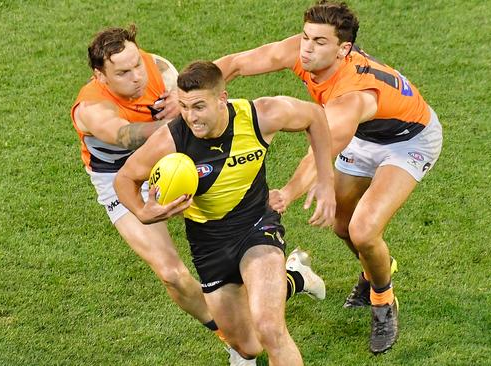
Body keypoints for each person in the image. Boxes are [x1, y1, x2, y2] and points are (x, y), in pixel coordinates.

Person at [214, 0, 443, 354]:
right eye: (306, 37)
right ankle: (375, 270)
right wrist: (193, 92)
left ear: (343, 49)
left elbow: (319, 151)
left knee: (364, 230)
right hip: (364, 135)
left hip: (408, 140)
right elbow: (235, 64)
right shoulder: (303, 51)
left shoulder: (351, 98)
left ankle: (383, 300)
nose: (307, 48)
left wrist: (287, 194)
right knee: (340, 223)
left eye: (320, 42)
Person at [114, 61, 336, 365]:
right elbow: (124, 178)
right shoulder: (172, 139)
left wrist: (325, 179)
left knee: (271, 329)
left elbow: (315, 115)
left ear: (222, 99)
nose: (190, 117)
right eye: (183, 107)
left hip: (256, 227)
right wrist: (143, 212)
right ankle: (296, 276)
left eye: (199, 107)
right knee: (248, 347)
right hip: (210, 245)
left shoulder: (259, 116)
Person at [70, 25, 227, 346]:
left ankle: (291, 276)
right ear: (100, 76)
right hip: (118, 178)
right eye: (124, 72)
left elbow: (186, 89)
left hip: (170, 159)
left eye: (137, 64)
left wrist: (179, 101)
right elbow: (123, 135)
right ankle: (230, 337)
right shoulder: (92, 108)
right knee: (173, 275)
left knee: (233, 240)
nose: (137, 76)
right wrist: (183, 117)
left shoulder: (157, 68)